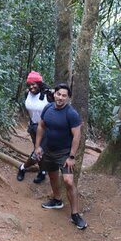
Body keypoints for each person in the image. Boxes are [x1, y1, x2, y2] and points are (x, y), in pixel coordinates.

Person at [34, 83, 87, 230]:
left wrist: (71, 156)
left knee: (68, 181)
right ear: (54, 94)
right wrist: (37, 146)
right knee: (52, 176)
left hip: (64, 153)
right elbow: (41, 126)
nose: (61, 98)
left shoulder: (71, 113)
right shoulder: (48, 108)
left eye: (64, 96)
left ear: (68, 98)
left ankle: (75, 214)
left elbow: (77, 136)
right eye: (59, 94)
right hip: (49, 150)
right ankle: (57, 200)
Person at [17, 71, 53, 183]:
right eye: (30, 84)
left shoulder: (47, 94)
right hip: (33, 127)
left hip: (46, 129)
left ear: (39, 83)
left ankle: (22, 167)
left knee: (38, 152)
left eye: (34, 84)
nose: (32, 86)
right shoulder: (27, 93)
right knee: (38, 151)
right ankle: (42, 171)